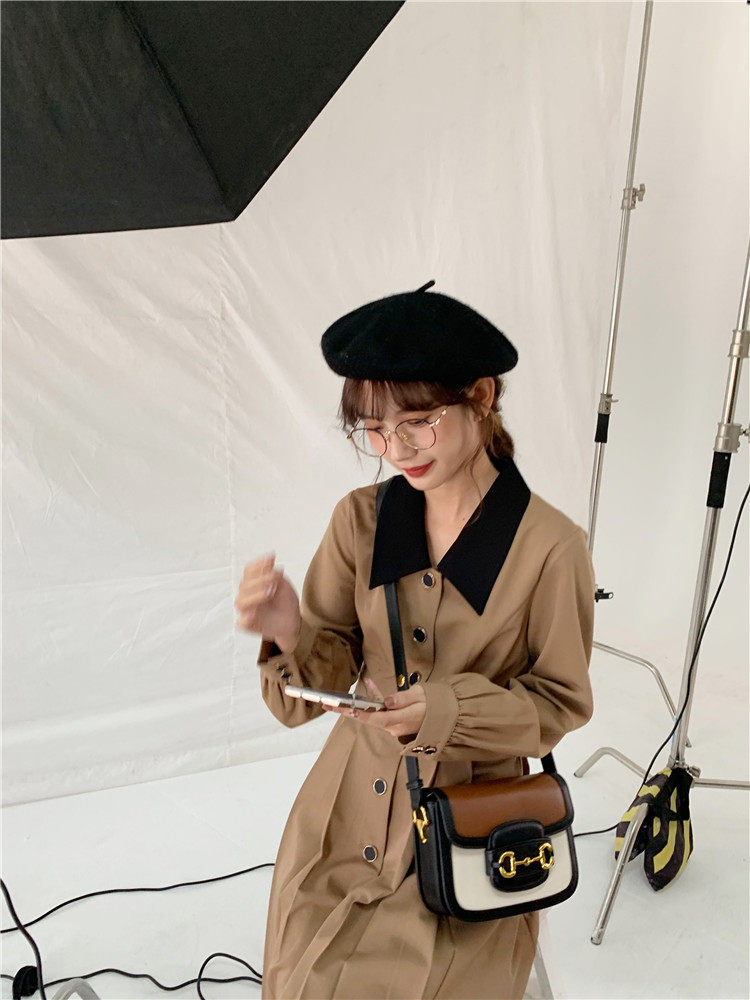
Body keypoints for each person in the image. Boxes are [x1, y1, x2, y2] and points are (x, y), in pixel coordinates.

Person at [234, 280, 596, 999]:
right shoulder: (360, 521)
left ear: (481, 397)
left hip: (470, 824)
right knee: (300, 975)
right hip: (345, 808)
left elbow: (559, 705)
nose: (394, 449)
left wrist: (446, 710)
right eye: (372, 429)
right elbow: (311, 695)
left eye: (419, 421)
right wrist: (289, 633)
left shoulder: (551, 547)